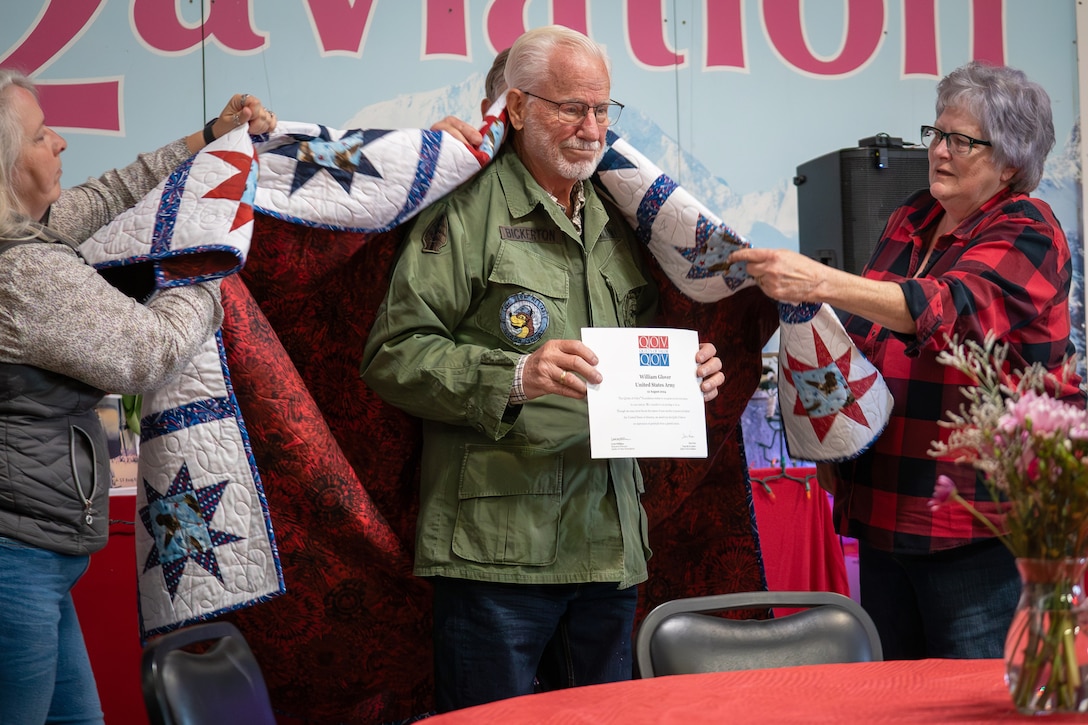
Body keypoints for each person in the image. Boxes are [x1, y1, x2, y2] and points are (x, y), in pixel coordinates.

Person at [362, 25, 724, 712]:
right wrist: (514, 376)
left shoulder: (624, 216)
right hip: (498, 554)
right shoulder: (464, 209)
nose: (592, 128)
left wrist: (687, 372)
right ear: (518, 108)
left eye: (602, 109)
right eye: (571, 108)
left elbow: (632, 357)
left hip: (609, 545)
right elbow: (393, 352)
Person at [727, 61, 1080, 660]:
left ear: (1012, 162)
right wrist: (840, 442)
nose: (938, 152)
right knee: (898, 698)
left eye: (961, 142)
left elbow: (943, 308)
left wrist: (819, 281)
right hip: (886, 510)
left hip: (970, 525)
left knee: (968, 699)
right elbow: (864, 338)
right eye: (936, 133)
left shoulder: (1030, 230)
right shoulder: (912, 216)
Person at [0, 67, 275, 724]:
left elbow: (105, 194)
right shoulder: (22, 268)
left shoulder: (21, 237)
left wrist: (208, 138)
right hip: (16, 557)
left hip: (33, 550)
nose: (61, 142)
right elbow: (146, 350)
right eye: (42, 136)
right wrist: (211, 275)